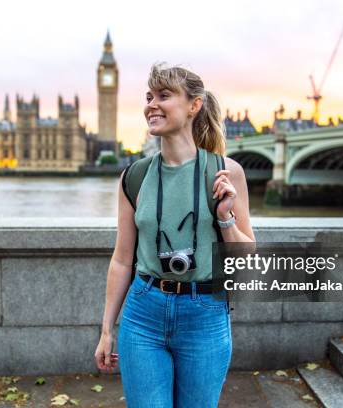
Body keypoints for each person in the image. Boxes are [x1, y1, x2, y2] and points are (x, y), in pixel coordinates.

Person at [94, 63, 255, 408]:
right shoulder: (133, 178)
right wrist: (107, 329)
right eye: (149, 97)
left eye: (164, 96)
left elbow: (245, 260)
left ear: (194, 105)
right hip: (143, 313)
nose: (151, 104)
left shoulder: (226, 172)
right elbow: (122, 259)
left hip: (205, 314)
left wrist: (225, 218)